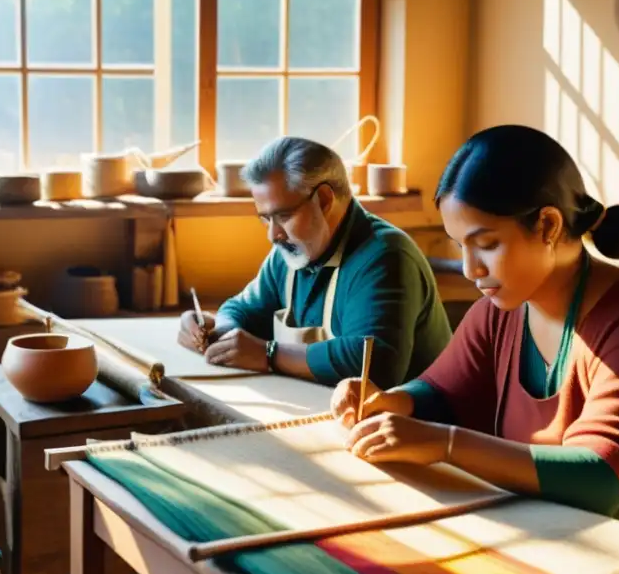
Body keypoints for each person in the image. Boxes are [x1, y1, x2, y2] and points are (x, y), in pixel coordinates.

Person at [331, 124, 619, 550]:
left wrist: (447, 444)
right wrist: (390, 401)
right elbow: (445, 392)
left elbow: (604, 478)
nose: (469, 268)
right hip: (554, 532)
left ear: (548, 225)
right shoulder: (498, 313)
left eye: (487, 244)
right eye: (461, 246)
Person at [177, 136, 452, 388]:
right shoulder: (290, 252)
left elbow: (373, 364)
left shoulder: (385, 256)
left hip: (420, 431)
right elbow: (244, 308)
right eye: (265, 218)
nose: (273, 234)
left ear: (323, 199)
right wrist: (216, 329)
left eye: (283, 216)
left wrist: (268, 355)